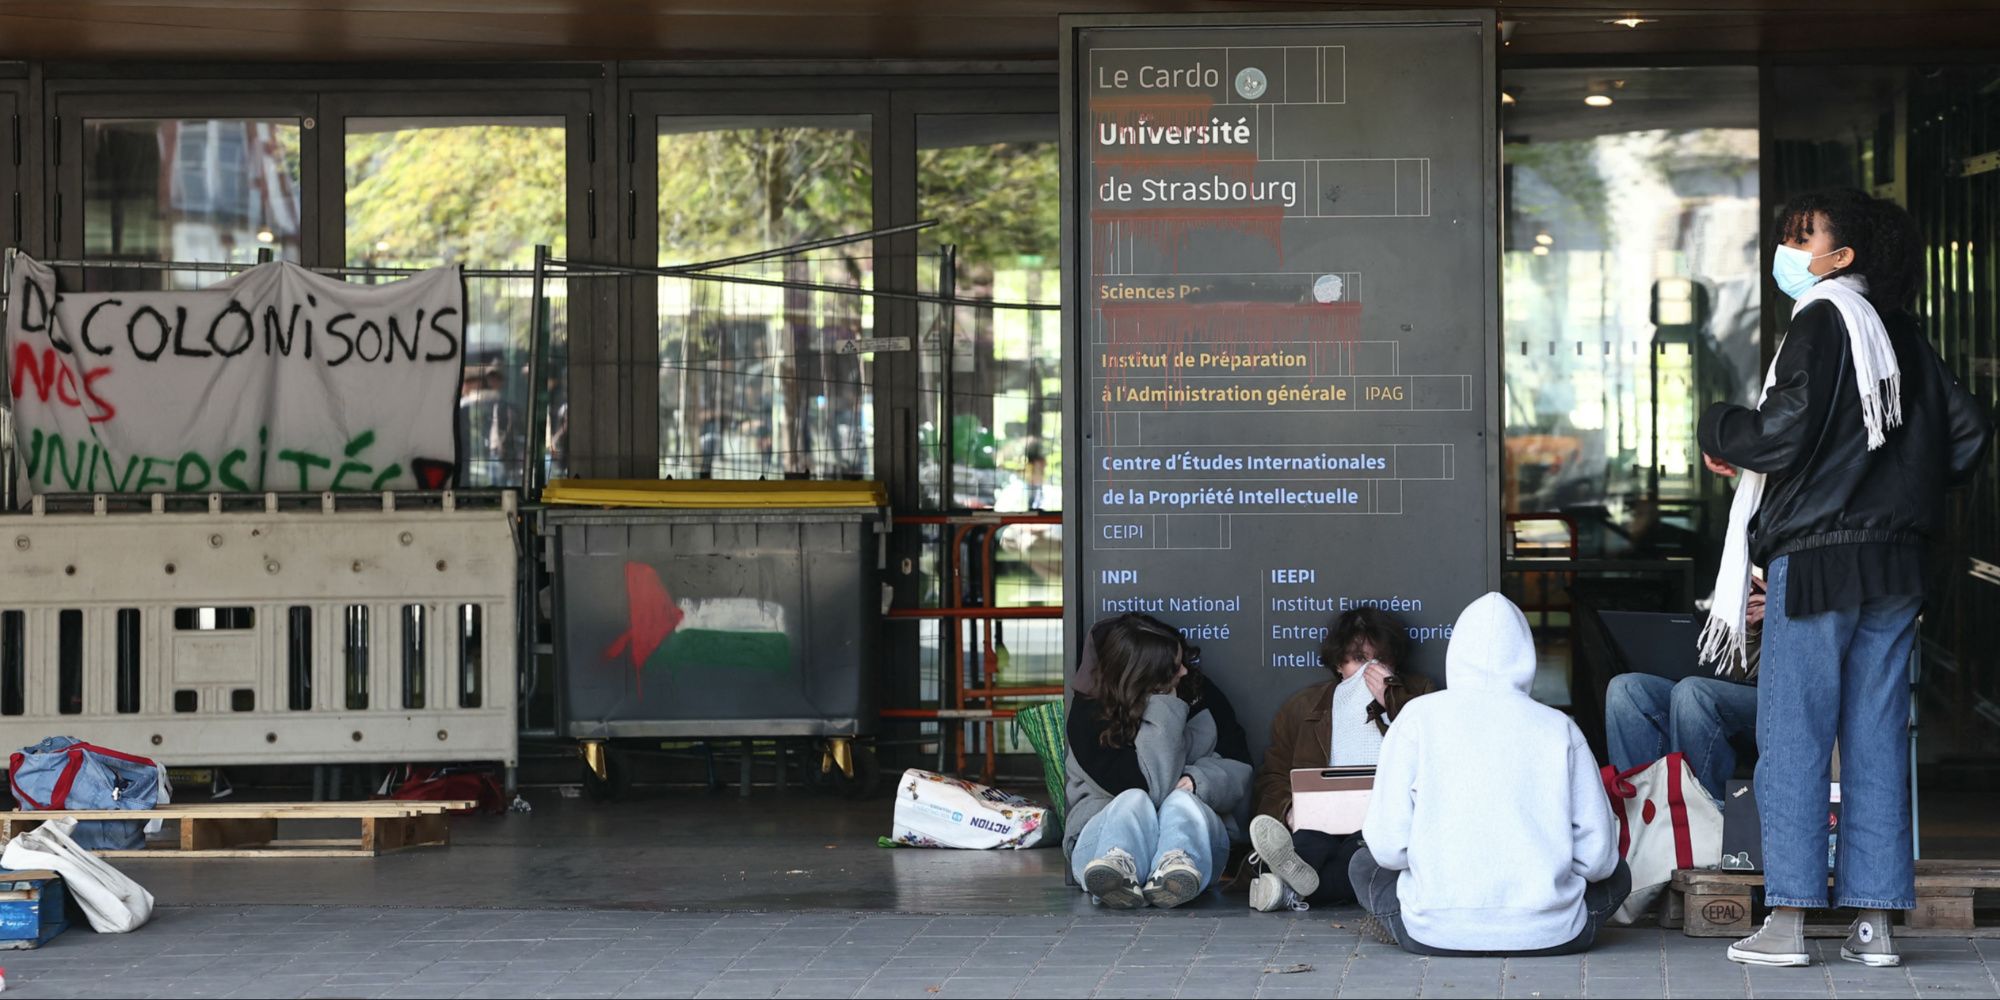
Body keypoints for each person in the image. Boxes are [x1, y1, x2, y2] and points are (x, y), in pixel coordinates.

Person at [1698, 189, 1991, 969]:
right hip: (1895, 564)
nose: (1790, 249)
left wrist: (1716, 425)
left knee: (1793, 736)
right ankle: (1874, 927)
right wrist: (1894, 485)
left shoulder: (1822, 318)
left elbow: (1780, 434)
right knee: (1874, 738)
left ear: (1842, 256)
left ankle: (1789, 920)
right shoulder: (1901, 334)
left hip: (1820, 560)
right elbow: (1968, 435)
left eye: (1805, 236)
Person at [1350, 593, 1630, 956]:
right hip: (1551, 934)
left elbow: (1389, 847)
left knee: (1362, 864)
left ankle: (1416, 919)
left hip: (1433, 933)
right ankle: (1536, 923)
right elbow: (1599, 859)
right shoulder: (1559, 728)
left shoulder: (1417, 718)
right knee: (1620, 873)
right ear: (1528, 656)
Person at [1245, 607, 1435, 912]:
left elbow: (1434, 752)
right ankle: (1289, 880)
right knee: (1308, 844)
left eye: (1379, 660)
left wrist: (1392, 700)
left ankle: (1284, 888)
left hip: (1380, 825)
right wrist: (1288, 810)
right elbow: (1274, 775)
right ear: (1338, 664)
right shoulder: (1302, 707)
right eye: (1359, 660)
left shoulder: (1419, 696)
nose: (1369, 671)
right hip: (1319, 825)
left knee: (1360, 856)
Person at [1066, 614, 1252, 909]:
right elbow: (1154, 786)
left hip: (1196, 846)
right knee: (1134, 800)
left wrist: (1197, 781)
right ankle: (1117, 865)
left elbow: (1239, 765)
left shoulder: (1199, 691)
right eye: (1172, 666)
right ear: (1144, 677)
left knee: (1181, 803)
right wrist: (1165, 705)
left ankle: (1175, 867)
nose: (1183, 671)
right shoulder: (1090, 715)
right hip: (1099, 843)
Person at [1604, 575, 1764, 803]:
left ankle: (1697, 818)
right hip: (1744, 684)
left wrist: (1784, 612)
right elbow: (1741, 671)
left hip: (1784, 698)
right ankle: (1639, 819)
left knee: (1693, 694)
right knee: (1625, 688)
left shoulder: (1815, 577)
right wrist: (1752, 628)